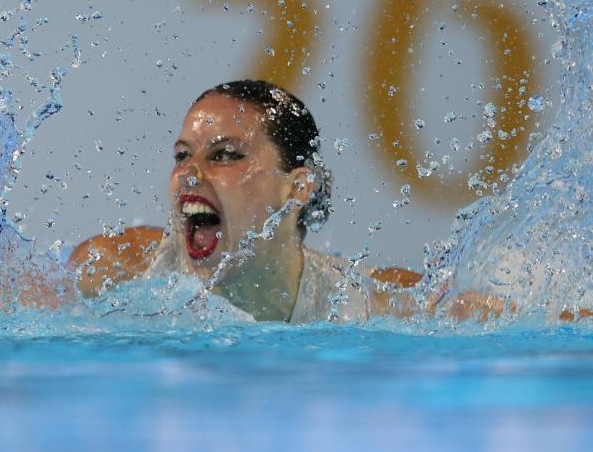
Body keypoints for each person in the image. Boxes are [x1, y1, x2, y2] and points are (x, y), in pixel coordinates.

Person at [68, 80, 424, 322]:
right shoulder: (111, 273)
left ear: (298, 188)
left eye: (225, 155)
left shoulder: (381, 304)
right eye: (182, 155)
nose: (189, 173)